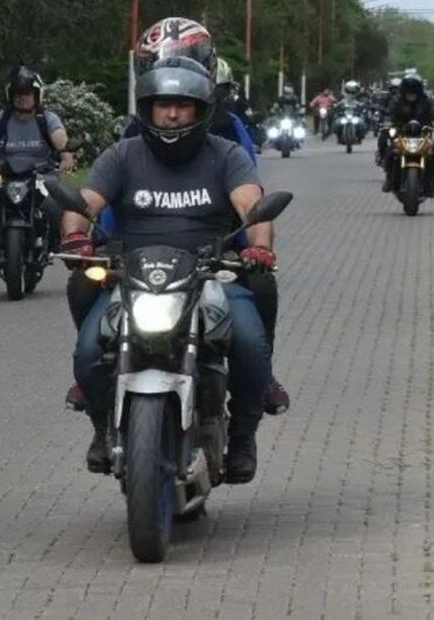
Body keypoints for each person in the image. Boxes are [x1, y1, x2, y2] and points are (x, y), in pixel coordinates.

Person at [58, 56, 275, 484]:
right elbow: (85, 205)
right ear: (147, 107)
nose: (172, 113)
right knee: (87, 352)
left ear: (201, 109)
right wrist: (75, 235)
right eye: (162, 104)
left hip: (212, 274)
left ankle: (243, 434)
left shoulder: (226, 154)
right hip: (132, 277)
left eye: (183, 104)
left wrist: (260, 247)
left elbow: (253, 204)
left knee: (250, 342)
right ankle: (103, 429)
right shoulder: (122, 155)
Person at [0, 65, 75, 252]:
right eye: (18, 93)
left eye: (27, 93)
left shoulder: (47, 119)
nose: (22, 98)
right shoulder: (0, 119)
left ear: (37, 95)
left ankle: (54, 238)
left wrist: (66, 154)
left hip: (41, 175)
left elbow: (59, 136)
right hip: (5, 175)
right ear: (10, 96)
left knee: (53, 206)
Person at [382, 74, 434, 197]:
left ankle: (431, 183)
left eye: (413, 92)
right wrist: (387, 122)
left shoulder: (426, 102)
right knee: (391, 150)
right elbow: (389, 113)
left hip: (422, 134)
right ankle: (388, 179)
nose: (411, 95)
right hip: (402, 134)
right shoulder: (397, 101)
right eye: (409, 92)